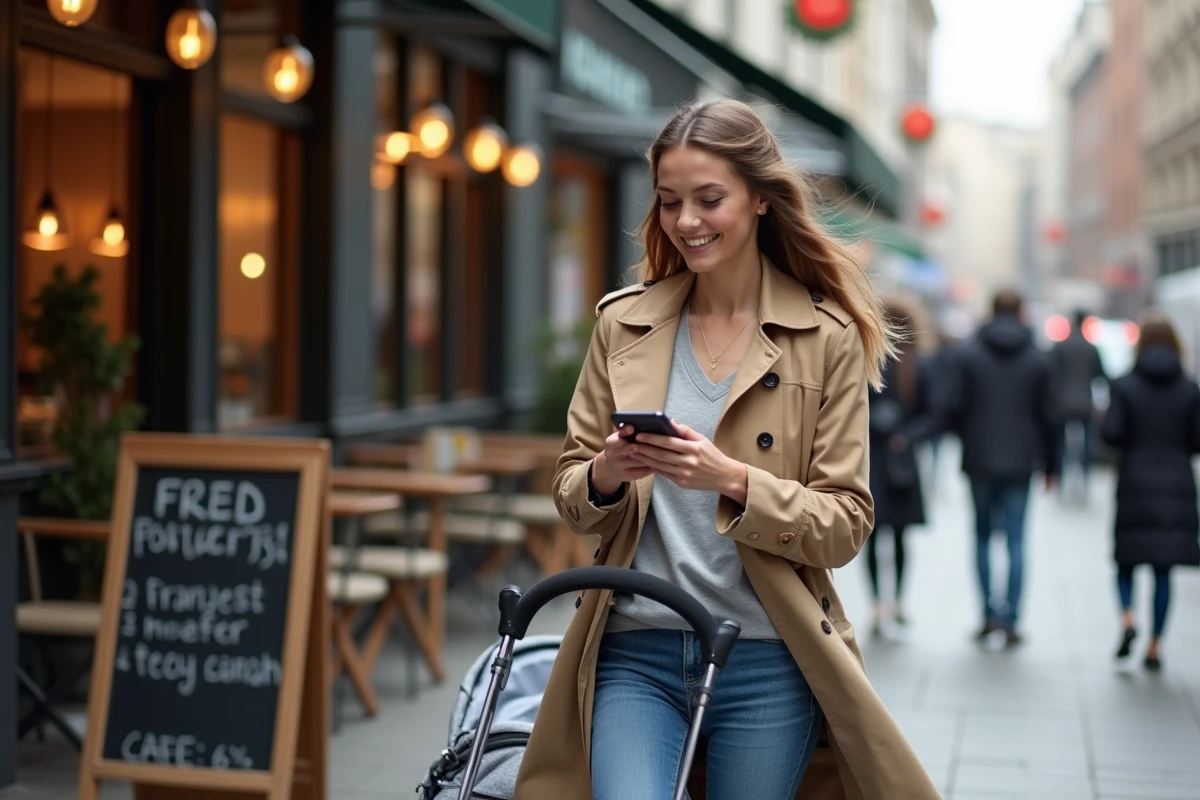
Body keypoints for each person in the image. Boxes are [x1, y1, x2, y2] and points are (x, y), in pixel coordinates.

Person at [514, 98, 939, 800]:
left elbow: (845, 525)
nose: (686, 221)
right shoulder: (626, 325)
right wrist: (606, 475)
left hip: (767, 657)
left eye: (709, 199)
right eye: (670, 201)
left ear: (760, 199)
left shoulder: (824, 337)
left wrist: (734, 479)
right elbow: (572, 496)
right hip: (634, 647)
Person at [945, 289, 1059, 646]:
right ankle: (1011, 617)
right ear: (1021, 311)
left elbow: (953, 408)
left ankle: (988, 613)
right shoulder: (1038, 359)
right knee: (1016, 539)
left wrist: (969, 436)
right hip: (1021, 461)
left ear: (990, 310)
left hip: (979, 458)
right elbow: (1050, 418)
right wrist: (1051, 467)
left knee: (980, 536)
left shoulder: (968, 355)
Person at [1101, 311, 1200, 671]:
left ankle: (1128, 618)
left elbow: (1111, 434)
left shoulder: (1125, 385)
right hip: (1176, 482)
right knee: (1163, 570)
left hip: (1135, 481)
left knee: (1126, 561)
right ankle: (1156, 645)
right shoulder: (1190, 388)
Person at [865, 298, 942, 635]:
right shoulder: (918, 364)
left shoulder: (867, 360)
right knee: (897, 538)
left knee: (871, 535)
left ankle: (878, 605)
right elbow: (933, 415)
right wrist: (908, 436)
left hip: (871, 461)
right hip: (901, 461)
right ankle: (895, 601)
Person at [1049, 309, 1107, 499]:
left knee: (1060, 443)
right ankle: (1085, 477)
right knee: (1087, 443)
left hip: (1062, 402)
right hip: (1084, 402)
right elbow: (1100, 375)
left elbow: (1051, 374)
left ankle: (1059, 476)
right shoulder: (1090, 348)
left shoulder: (1060, 347)